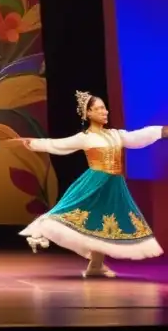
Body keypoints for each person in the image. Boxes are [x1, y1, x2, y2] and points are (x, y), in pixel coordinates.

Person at [11, 90, 164, 277]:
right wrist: (31, 143)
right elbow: (56, 144)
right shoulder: (85, 137)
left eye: (105, 108)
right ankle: (40, 231)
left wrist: (161, 131)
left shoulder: (116, 135)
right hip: (95, 182)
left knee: (102, 223)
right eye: (99, 109)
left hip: (114, 184)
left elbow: (137, 137)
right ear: (88, 113)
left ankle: (95, 266)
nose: (105, 112)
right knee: (72, 213)